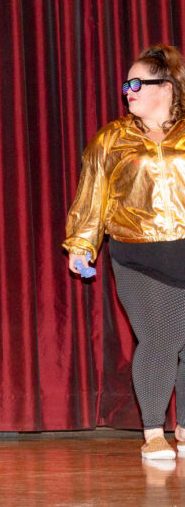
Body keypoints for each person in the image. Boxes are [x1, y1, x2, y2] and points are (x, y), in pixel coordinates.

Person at [64, 44, 185, 460]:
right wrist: (82, 242)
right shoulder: (113, 137)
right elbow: (91, 194)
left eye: (137, 83)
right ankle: (153, 431)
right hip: (138, 255)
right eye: (125, 84)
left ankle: (184, 429)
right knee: (160, 337)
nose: (127, 90)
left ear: (166, 87)